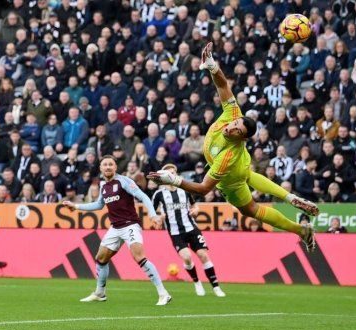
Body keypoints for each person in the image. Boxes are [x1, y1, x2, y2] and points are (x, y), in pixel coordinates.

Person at [149, 43, 319, 251]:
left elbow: (203, 188)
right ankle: (290, 197)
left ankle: (301, 230)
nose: (231, 128)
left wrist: (173, 180)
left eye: (237, 131)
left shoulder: (228, 155)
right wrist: (213, 66)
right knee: (248, 173)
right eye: (234, 124)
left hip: (231, 180)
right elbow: (223, 86)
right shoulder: (233, 113)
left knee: (251, 209)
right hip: (243, 165)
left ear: (242, 139)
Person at [63, 155, 170, 306]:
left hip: (130, 225)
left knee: (139, 257)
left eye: (110, 165)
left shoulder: (124, 181)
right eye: (105, 165)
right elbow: (99, 205)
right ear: (100, 168)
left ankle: (163, 293)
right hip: (115, 227)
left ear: (115, 167)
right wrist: (76, 206)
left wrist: (153, 215)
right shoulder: (103, 186)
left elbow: (143, 196)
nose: (107, 167)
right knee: (101, 258)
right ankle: (100, 293)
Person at [152, 164, 225, 297]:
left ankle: (216, 287)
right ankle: (197, 282)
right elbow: (152, 212)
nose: (171, 175)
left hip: (192, 228)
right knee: (187, 257)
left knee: (203, 255)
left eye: (173, 172)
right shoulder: (159, 194)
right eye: (168, 173)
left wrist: (196, 210)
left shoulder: (184, 190)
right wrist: (159, 217)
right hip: (175, 232)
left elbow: (194, 205)